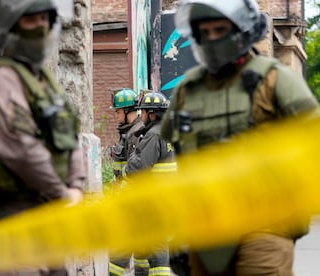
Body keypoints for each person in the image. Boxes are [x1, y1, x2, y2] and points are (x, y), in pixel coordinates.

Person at [161, 0, 320, 275]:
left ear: (242, 32)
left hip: (266, 220)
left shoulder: (275, 79)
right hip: (206, 225)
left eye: (220, 30)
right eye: (205, 32)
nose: (212, 39)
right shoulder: (189, 89)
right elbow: (176, 150)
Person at [0, 0, 86, 275]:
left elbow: (70, 136)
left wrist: (77, 186)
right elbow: (20, 148)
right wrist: (62, 192)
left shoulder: (43, 80)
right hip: (14, 221)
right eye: (31, 20)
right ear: (9, 26)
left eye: (45, 19)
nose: (41, 27)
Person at [122, 91, 177, 276]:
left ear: (152, 113)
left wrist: (124, 172)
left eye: (143, 111)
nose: (141, 115)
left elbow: (138, 167)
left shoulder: (154, 135)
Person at [108, 88, 148, 276]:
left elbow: (136, 170)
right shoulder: (128, 132)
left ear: (127, 111)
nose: (115, 115)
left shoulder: (137, 133)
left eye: (117, 111)